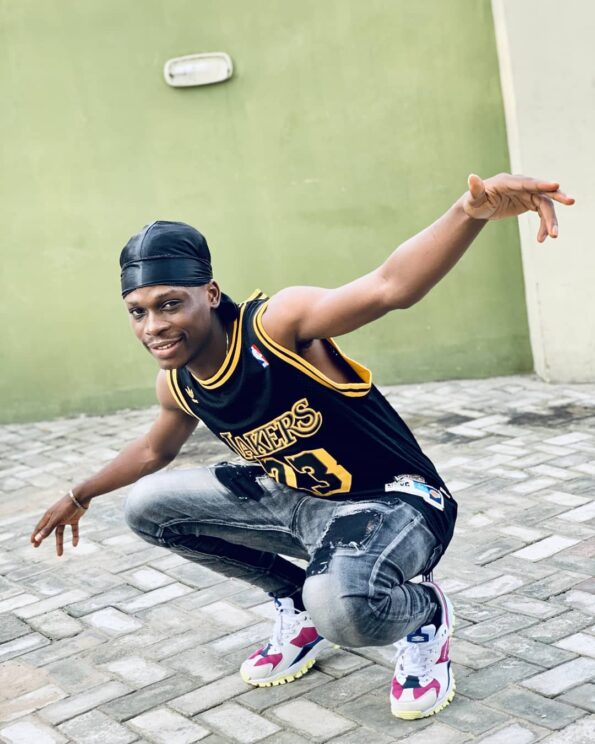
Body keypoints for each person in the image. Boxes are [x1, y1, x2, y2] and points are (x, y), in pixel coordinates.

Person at [31, 173, 573, 720]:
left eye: (170, 304)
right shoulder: (178, 382)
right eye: (138, 311)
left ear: (210, 294)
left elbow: (391, 287)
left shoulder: (276, 326)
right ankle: (297, 601)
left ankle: (424, 614)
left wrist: (468, 212)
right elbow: (154, 451)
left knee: (346, 610)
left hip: (394, 502)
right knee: (147, 508)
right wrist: (81, 493)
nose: (154, 326)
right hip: (298, 500)